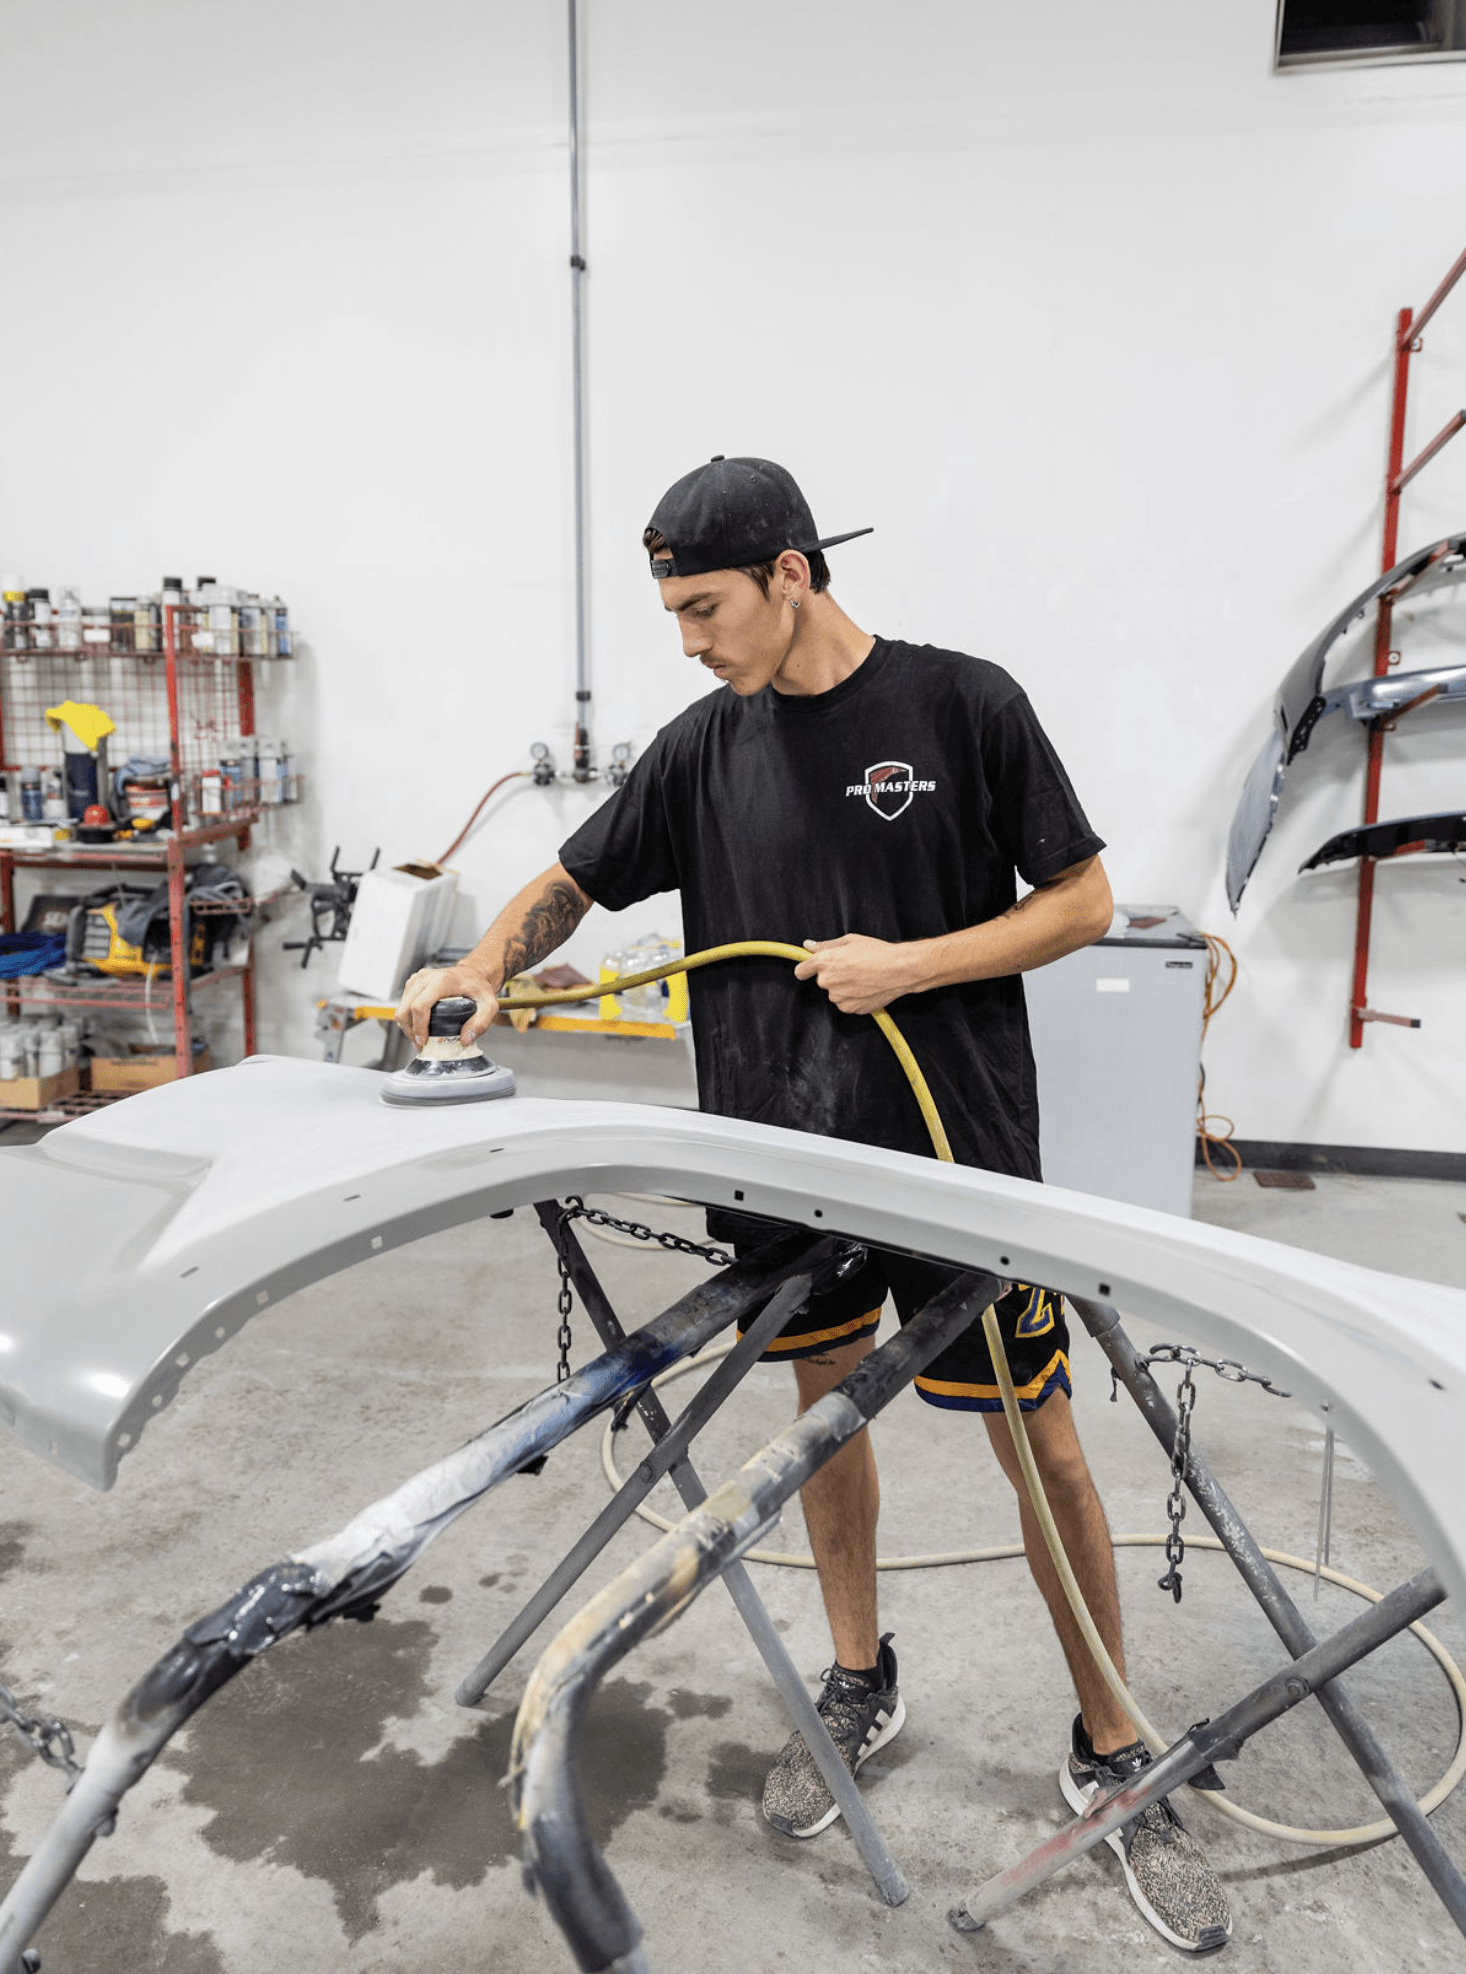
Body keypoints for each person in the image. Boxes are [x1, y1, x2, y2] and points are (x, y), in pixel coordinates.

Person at [397, 455, 1231, 1955]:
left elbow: (1083, 901)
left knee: (1038, 1440)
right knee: (819, 1419)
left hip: (954, 1152)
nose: (687, 637)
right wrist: (478, 971)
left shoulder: (961, 704)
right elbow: (577, 882)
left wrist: (907, 963)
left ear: (792, 573)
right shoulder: (701, 744)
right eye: (668, 608)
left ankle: (1111, 1735)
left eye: (703, 605)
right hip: (779, 1159)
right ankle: (859, 1673)